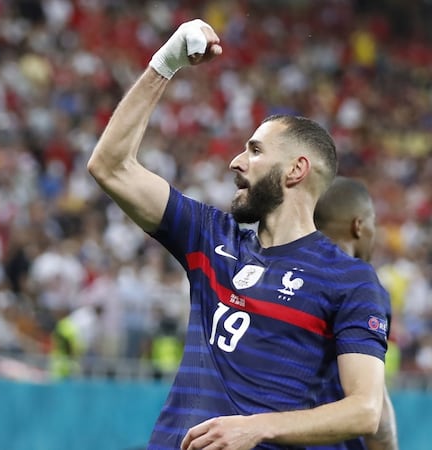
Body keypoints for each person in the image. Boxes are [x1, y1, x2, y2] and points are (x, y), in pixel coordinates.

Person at [87, 19, 391, 450]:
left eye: (255, 150)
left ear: (296, 170)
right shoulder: (210, 238)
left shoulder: (349, 280)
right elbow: (111, 167)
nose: (235, 161)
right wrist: (166, 62)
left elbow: (364, 409)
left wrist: (257, 426)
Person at [314, 177, 399, 450]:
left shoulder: (282, 272)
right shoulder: (360, 284)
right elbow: (375, 407)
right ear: (359, 225)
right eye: (374, 221)